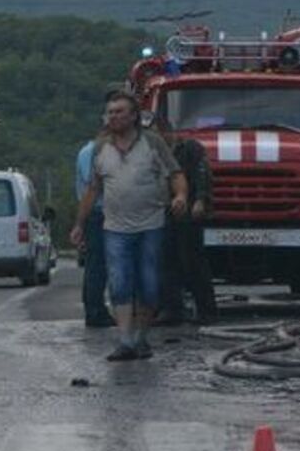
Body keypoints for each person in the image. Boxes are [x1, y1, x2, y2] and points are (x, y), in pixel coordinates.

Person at [71, 90, 187, 361]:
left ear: (134, 116)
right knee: (119, 282)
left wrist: (180, 195)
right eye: (110, 112)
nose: (114, 116)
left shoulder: (153, 143)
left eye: (119, 111)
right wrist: (79, 223)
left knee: (148, 284)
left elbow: (176, 174)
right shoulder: (101, 148)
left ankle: (142, 337)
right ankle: (125, 341)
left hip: (151, 225)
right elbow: (92, 189)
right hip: (115, 228)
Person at [156, 118, 217, 324]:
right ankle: (172, 309)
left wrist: (200, 199)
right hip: (164, 213)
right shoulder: (156, 154)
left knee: (193, 262)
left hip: (188, 211)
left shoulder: (189, 148)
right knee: (167, 263)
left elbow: (202, 174)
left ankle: (207, 310)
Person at [75, 137, 115, 328]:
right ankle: (95, 312)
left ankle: (95, 309)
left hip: (97, 212)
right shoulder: (93, 152)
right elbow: (93, 186)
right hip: (99, 211)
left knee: (96, 265)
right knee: (97, 266)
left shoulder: (88, 150)